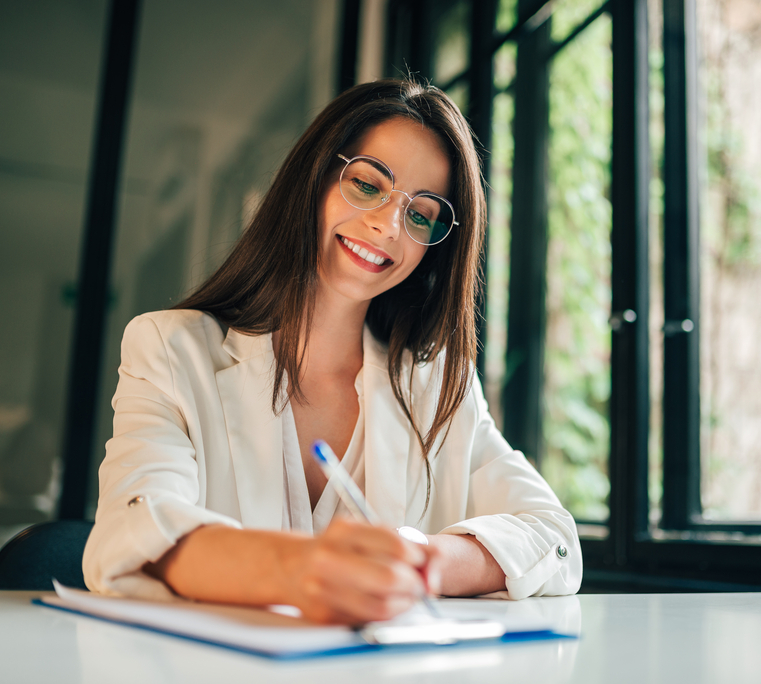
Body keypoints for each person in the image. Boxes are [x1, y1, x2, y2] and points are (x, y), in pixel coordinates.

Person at [82, 78, 581, 624]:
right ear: (315, 179)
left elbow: (555, 539)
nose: (387, 225)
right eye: (368, 185)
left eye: (420, 216)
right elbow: (131, 533)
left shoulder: (437, 384)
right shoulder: (170, 350)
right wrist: (302, 570)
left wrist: (424, 562)